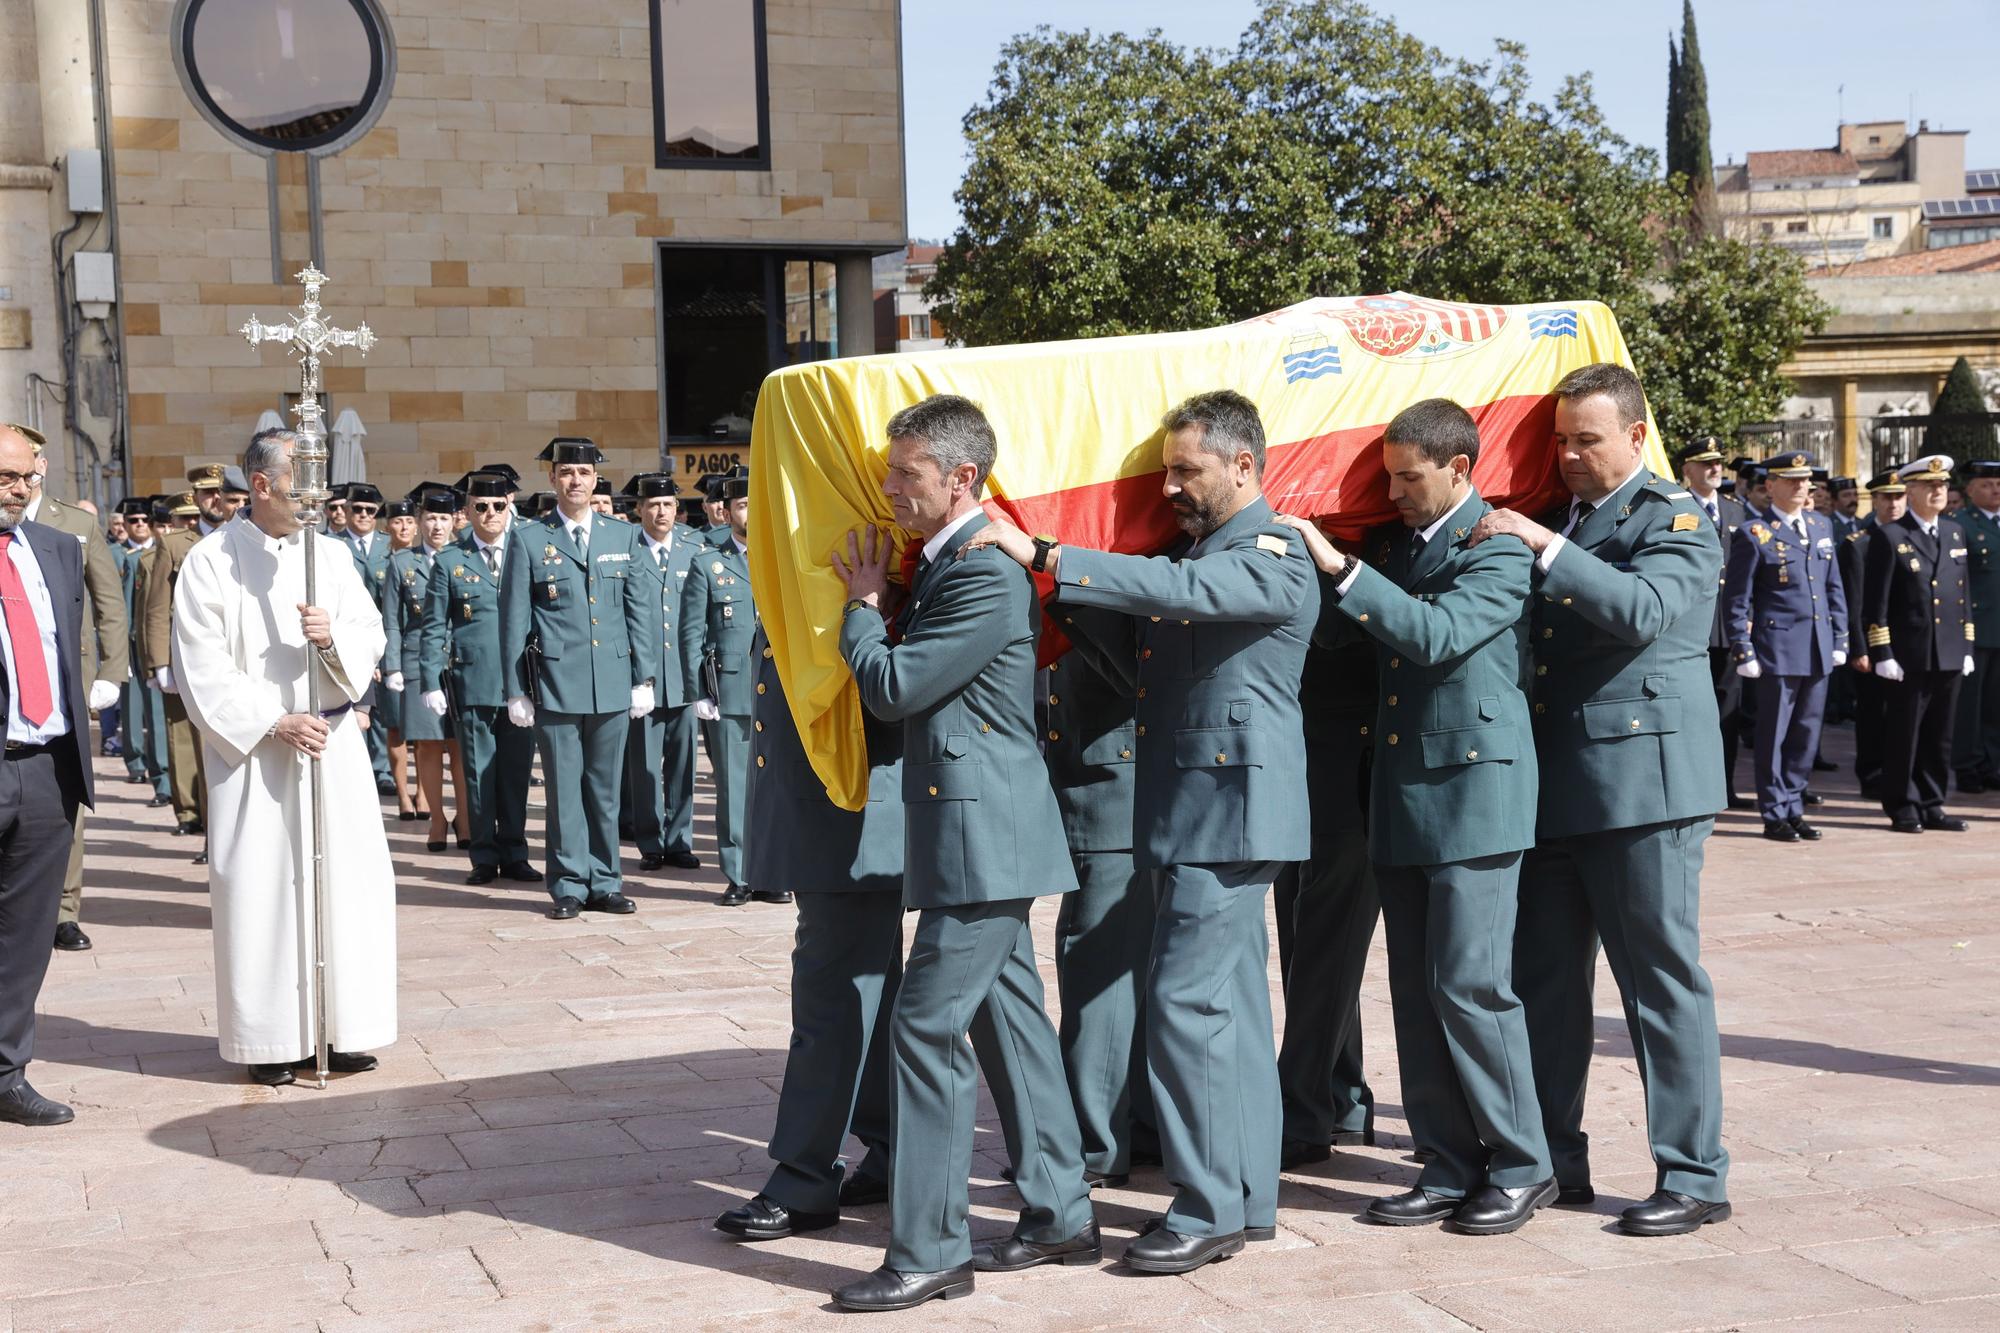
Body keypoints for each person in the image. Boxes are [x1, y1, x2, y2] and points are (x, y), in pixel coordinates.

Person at [969, 388, 1316, 1273]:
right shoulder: (1206, 552)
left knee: (1185, 1006)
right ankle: (1245, 1198)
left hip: (1230, 817)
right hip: (1196, 813)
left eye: (1185, 469)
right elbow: (1149, 672)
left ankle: (1204, 1209)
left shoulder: (1271, 551)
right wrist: (1069, 607)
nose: (1168, 486)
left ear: (1244, 465)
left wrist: (1046, 550)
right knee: (1228, 1011)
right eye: (1164, 469)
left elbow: (1184, 592)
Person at [829, 394, 1092, 1312]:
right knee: (1007, 1023)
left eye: (907, 474)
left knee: (925, 1027)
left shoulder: (983, 573)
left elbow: (896, 686)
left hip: (988, 837)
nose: (891, 488)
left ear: (962, 479)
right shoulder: (949, 563)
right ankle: (1060, 1208)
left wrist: (862, 609)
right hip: (978, 834)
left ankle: (932, 1248)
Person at [1470, 362, 1731, 1237]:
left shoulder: (1677, 517)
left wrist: (1547, 548)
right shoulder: (1560, 515)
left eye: (1588, 438)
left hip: (1645, 788)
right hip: (1558, 785)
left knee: (1659, 983)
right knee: (1544, 984)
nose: (1570, 454)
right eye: (1561, 439)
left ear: (1636, 435)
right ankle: (1551, 1157)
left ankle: (1693, 1172)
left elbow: (1647, 608)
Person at [1282, 398, 1553, 1235]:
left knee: (1471, 986)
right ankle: (1445, 1162)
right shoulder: (1394, 546)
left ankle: (1521, 1163)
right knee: (1414, 991)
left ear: (1461, 468)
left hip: (1477, 795)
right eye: (1388, 475)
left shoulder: (1499, 544)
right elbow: (1341, 640)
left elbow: (1438, 634)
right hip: (1399, 790)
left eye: (1409, 476)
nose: (1393, 491)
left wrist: (1338, 567)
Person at [169, 427, 397, 1087]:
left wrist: (333, 640)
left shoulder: (329, 554)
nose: (317, 496)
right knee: (264, 889)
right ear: (261, 485)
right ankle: (270, 1037)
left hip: (333, 745)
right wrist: (273, 719)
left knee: (347, 885)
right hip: (260, 754)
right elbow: (201, 663)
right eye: (304, 480)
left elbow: (369, 631)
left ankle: (342, 1026)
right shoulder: (213, 562)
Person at [714, 625, 906, 1239]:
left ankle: (804, 1180)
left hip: (853, 811)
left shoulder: (849, 551)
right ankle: (895, 1150)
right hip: (825, 810)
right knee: (868, 992)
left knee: (831, 996)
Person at [500, 438, 659, 919]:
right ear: (552, 479)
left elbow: (639, 611)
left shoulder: (622, 536)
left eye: (584, 474)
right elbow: (514, 619)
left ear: (595, 481)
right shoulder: (529, 538)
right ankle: (569, 882)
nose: (575, 481)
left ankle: (606, 880)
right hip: (555, 683)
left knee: (605, 792)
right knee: (564, 791)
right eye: (566, 472)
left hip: (611, 681)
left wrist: (643, 677)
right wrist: (516, 690)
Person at [0, 423, 96, 1126]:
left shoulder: (58, 550)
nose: (22, 489)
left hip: (45, 770)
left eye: (29, 476)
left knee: (27, 933)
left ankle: (7, 1071)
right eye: (6, 476)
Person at [1038, 631, 1157, 1186]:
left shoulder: (1112, 570)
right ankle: (1139, 1128)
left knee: (1096, 975)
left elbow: (1135, 678)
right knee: (1110, 970)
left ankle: (1096, 1147)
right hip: (1084, 786)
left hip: (1117, 793)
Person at [13, 427, 126, 953]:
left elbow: (109, 602)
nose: (22, 478)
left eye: (29, 464)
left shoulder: (75, 525)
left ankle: (64, 907)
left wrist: (112, 671)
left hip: (69, 676)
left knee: (64, 790)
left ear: (42, 463)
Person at [1274, 626, 1379, 1168]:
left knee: (1324, 941)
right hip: (1305, 748)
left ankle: (1301, 1113)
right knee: (1307, 941)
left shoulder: (1366, 545)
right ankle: (1343, 1096)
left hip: (1353, 752)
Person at [421, 470, 539, 887]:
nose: (490, 514)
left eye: (498, 506)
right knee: (478, 772)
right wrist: (430, 681)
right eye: (481, 507)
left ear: (510, 508)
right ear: (466, 512)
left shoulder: (528, 552)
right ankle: (484, 855)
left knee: (516, 771)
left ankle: (516, 850)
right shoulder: (451, 561)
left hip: (520, 682)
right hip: (472, 681)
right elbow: (434, 626)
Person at [1723, 452, 1846, 842]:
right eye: (1789, 481)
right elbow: (1738, 599)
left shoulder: (1820, 525)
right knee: (1774, 734)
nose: (1799, 487)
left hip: (1817, 644)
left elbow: (1833, 588)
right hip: (1777, 647)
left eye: (1804, 481)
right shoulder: (1755, 532)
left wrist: (1840, 637)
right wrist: (1742, 647)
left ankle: (1794, 804)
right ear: (1770, 486)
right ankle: (1774, 810)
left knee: (1807, 734)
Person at [1862, 455, 1974, 833]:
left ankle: (1932, 802)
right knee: (1904, 735)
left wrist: (1967, 647)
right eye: (1930, 486)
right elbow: (1875, 603)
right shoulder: (1891, 535)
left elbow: (1964, 596)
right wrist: (1883, 652)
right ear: (1911, 491)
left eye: (1942, 486)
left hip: (1948, 650)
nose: (1939, 491)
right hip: (1909, 654)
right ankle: (1902, 803)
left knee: (1940, 736)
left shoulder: (1955, 532)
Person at [678, 468, 760, 904]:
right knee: (732, 787)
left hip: (780, 693)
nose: (752, 511)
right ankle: (740, 873)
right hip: (729, 690)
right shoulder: (708, 563)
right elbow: (690, 634)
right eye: (744, 504)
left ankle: (773, 870)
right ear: (727, 512)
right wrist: (698, 692)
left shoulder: (782, 557)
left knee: (775, 787)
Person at [621, 473, 702, 872]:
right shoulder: (626, 548)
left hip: (685, 676)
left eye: (668, 504)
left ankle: (680, 839)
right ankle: (651, 842)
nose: (660, 512)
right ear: (639, 510)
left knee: (685, 762)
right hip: (645, 675)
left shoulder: (694, 545)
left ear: (677, 508)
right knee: (646, 766)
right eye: (652, 505)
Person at [386, 485, 469, 852]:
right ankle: (437, 818)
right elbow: (391, 619)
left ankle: (465, 817)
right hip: (418, 661)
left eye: (444, 518)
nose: (437, 526)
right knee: (429, 748)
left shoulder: (467, 557)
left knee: (461, 746)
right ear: (419, 522)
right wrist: (392, 666)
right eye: (431, 518)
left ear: (455, 521)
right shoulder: (402, 563)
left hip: (462, 660)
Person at [141, 480, 220, 851]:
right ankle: (201, 821)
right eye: (208, 494)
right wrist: (159, 662)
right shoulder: (174, 544)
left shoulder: (248, 536)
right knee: (195, 742)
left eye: (223, 493)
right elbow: (157, 607)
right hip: (187, 658)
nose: (216, 500)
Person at [1680, 437, 1752, 810]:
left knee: (1729, 711)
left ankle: (1724, 785)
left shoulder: (1736, 510)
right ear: (1686, 470)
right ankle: (1693, 788)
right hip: (1694, 628)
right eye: (1705, 463)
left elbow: (1748, 571)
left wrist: (1748, 615)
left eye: (1718, 462)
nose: (1714, 468)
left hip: (1730, 625)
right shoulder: (1678, 509)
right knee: (1693, 712)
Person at [1844, 474, 1905, 798]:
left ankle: (1898, 772)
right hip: (1871, 640)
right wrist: (1858, 647)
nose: (1893, 504)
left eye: (1898, 497)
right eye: (1886, 497)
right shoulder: (1859, 544)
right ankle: (1872, 774)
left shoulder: (1913, 538)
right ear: (1876, 501)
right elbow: (1854, 602)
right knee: (1872, 713)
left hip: (1907, 642)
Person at [112, 498, 173, 810]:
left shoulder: (159, 553)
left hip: (159, 642)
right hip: (134, 641)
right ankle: (142, 764)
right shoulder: (124, 556)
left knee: (159, 714)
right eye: (132, 520)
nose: (138, 525)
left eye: (143, 520)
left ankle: (165, 778)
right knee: (138, 707)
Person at [342, 482, 396, 797]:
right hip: (346, 640)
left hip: (382, 638)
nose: (363, 515)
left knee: (383, 712)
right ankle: (357, 768)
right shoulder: (331, 545)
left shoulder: (387, 546)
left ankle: (382, 770)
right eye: (357, 509)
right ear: (347, 511)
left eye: (369, 511)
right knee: (354, 707)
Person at [1949, 460, 2000, 792]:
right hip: (1976, 627)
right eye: (1987, 484)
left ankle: (1992, 763)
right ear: (1969, 490)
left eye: (1998, 484)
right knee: (1970, 703)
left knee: (1996, 704)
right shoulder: (1960, 525)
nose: (1995, 489)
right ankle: (1967, 764)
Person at [378, 497, 425, 823]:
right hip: (387, 648)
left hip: (416, 652)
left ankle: (423, 793)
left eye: (409, 521)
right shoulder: (382, 561)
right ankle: (404, 794)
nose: (404, 527)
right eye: (398, 522)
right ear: (388, 526)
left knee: (422, 731)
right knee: (395, 727)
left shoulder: (422, 560)